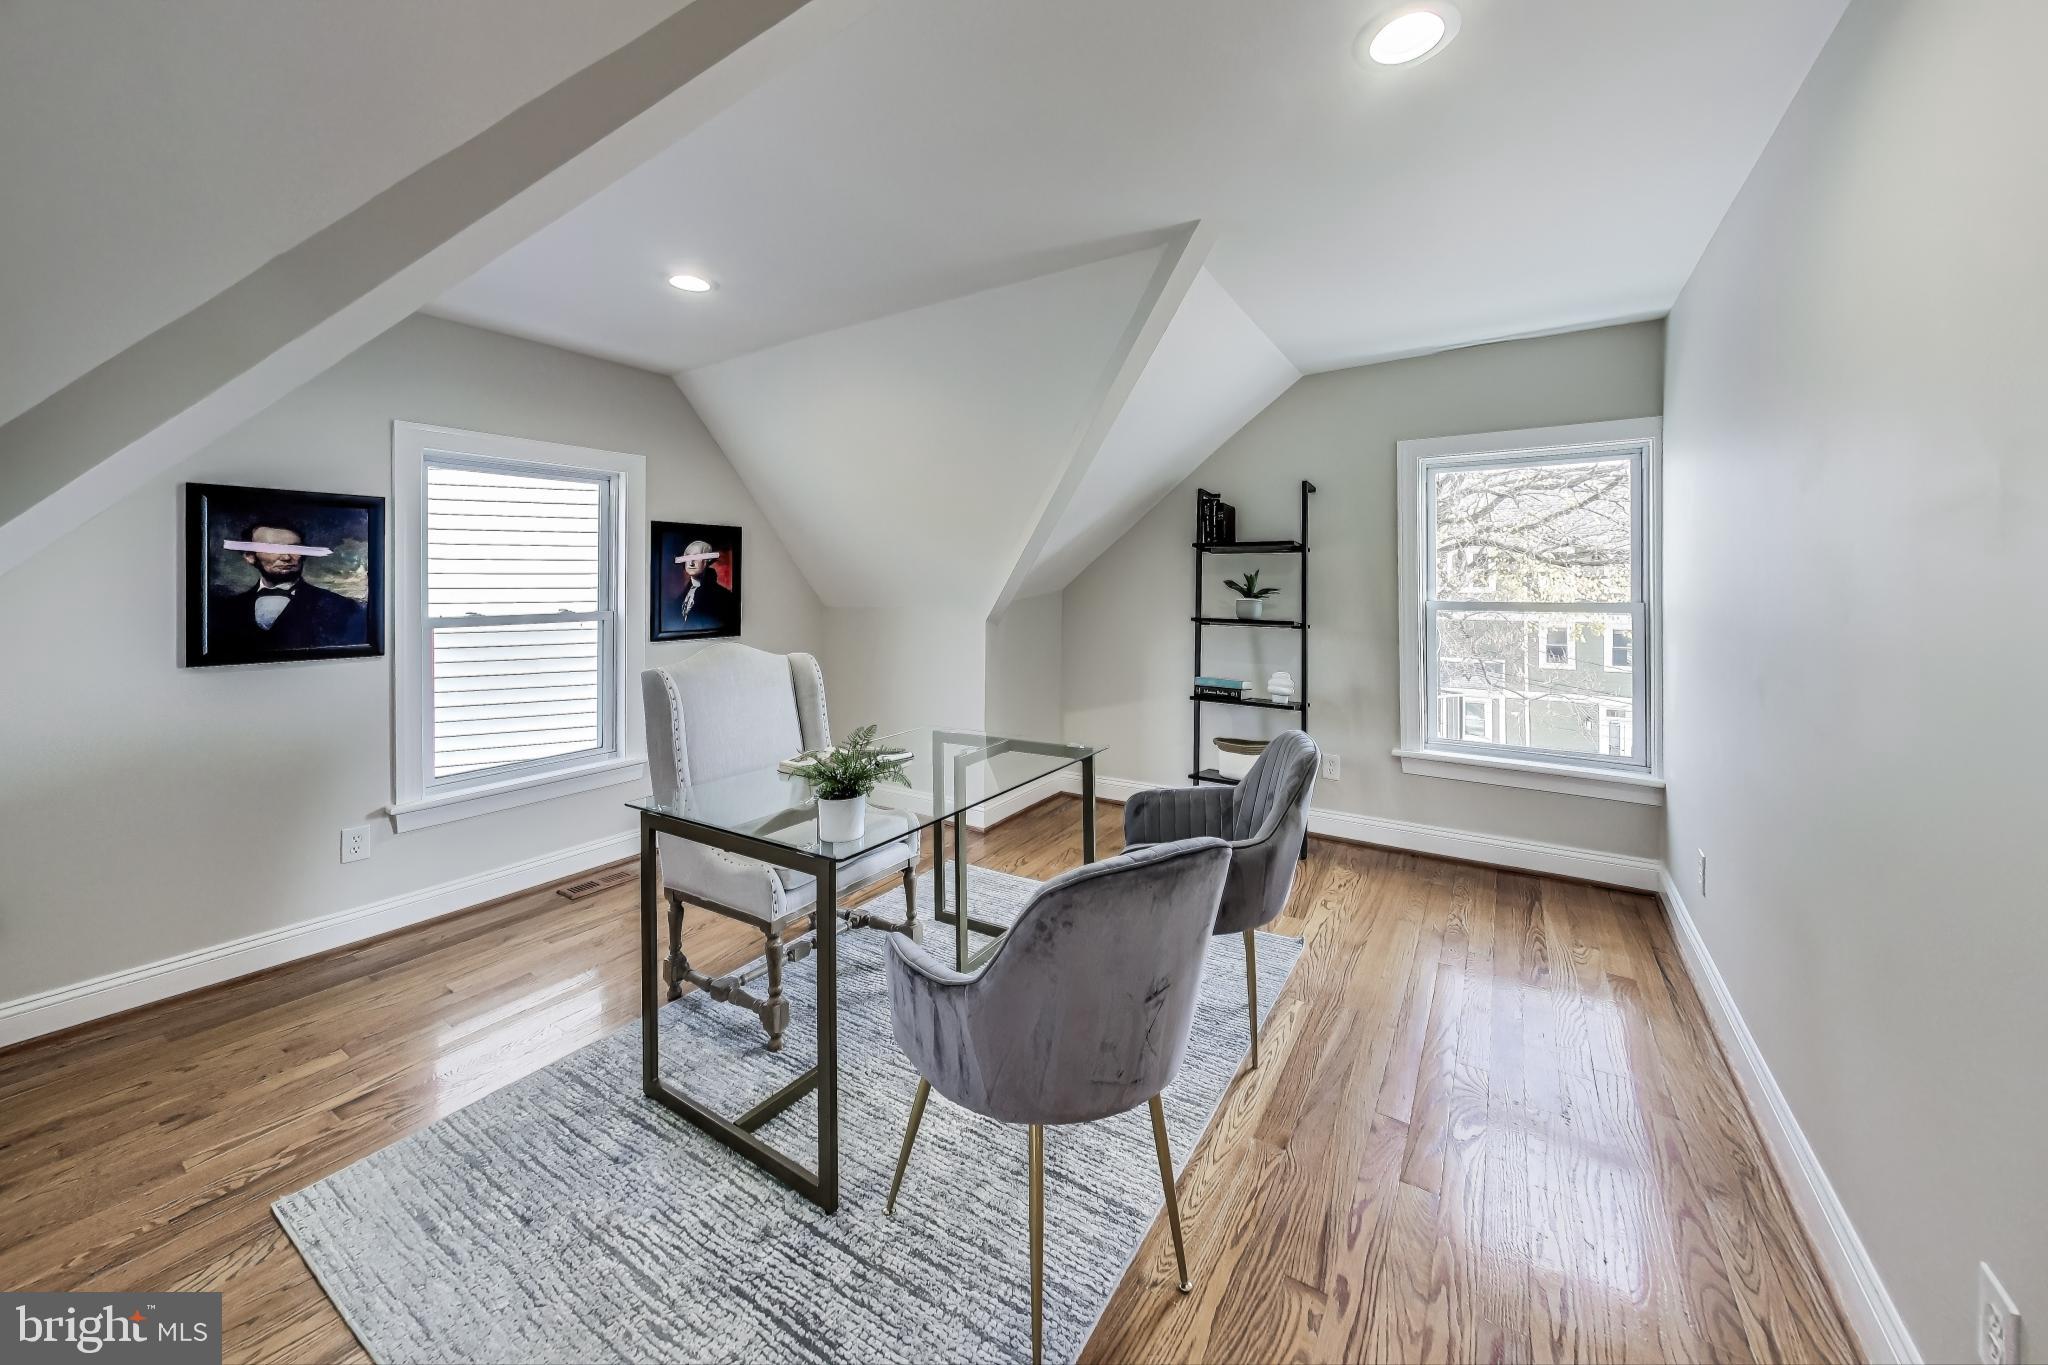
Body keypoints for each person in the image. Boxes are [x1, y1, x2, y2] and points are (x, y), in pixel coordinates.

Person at [209, 519, 366, 657]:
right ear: (250, 556)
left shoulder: (342, 608)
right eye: (273, 549)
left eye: (295, 549)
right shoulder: (224, 610)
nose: (286, 557)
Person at [670, 539, 738, 634]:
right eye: (688, 556)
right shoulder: (679, 600)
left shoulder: (724, 598)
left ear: (706, 561)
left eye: (697, 556)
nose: (691, 562)